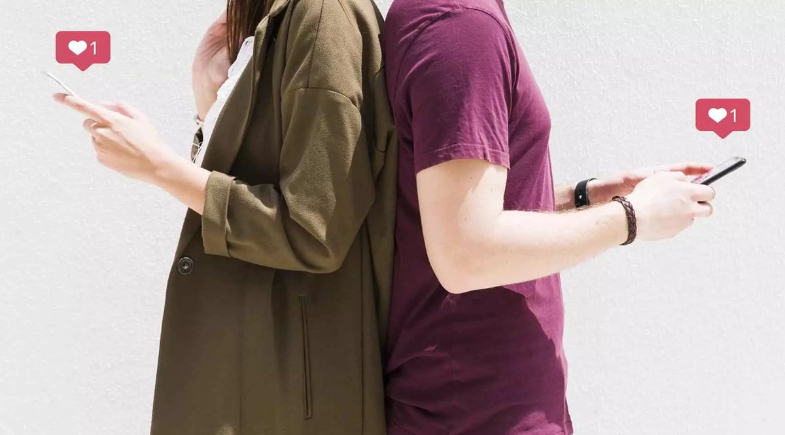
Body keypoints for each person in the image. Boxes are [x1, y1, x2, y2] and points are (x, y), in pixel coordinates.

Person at [53, 0, 397, 433]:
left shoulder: (323, 16)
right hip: (254, 374)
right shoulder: (279, 19)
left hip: (288, 393)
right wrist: (208, 104)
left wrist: (157, 165)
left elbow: (314, 230)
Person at [382, 0, 716, 434]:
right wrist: (634, 217)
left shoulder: (458, 19)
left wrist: (588, 196)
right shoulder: (462, 27)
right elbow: (465, 251)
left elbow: (461, 206)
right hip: (479, 410)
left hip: (487, 399)